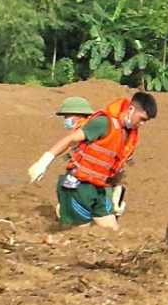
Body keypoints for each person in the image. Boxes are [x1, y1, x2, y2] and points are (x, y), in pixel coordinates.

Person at [28, 93, 158, 230]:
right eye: (142, 119)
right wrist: (44, 161)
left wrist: (115, 190)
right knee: (79, 235)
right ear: (131, 109)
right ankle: (53, 237)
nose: (142, 124)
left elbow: (113, 164)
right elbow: (70, 139)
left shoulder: (128, 134)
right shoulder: (103, 123)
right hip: (78, 186)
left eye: (146, 121)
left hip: (98, 189)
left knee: (112, 232)